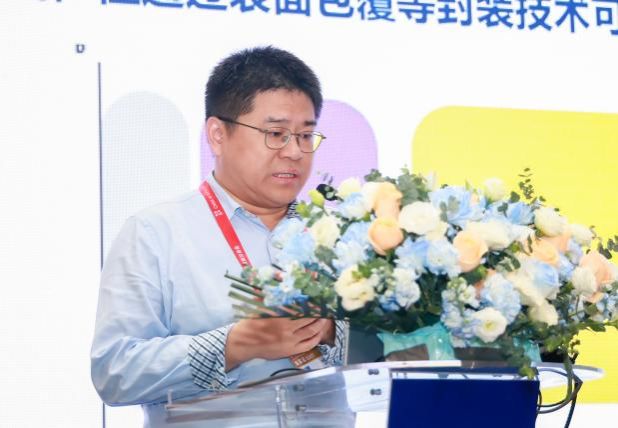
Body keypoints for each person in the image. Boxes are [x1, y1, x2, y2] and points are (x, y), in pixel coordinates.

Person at [91, 46, 345, 427]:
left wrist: (329, 330)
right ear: (217, 135)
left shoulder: (342, 236)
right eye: (276, 134)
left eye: (306, 135)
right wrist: (236, 345)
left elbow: (401, 350)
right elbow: (115, 372)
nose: (295, 152)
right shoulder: (155, 233)